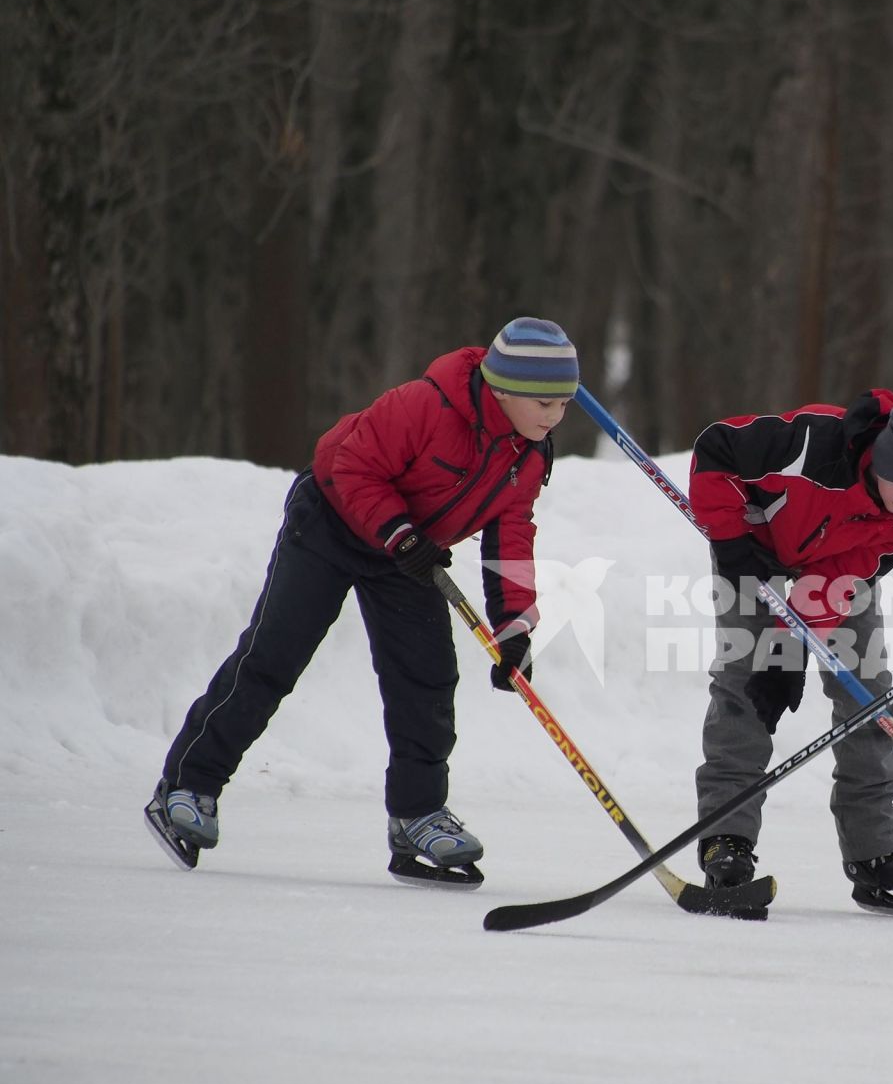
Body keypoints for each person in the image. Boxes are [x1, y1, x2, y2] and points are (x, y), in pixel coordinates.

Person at [145, 317, 581, 888]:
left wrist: (515, 628)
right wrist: (401, 535)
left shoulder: (528, 455)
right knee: (273, 658)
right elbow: (352, 465)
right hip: (330, 523)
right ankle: (187, 785)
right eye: (543, 402)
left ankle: (416, 817)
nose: (553, 416)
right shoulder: (425, 406)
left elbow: (512, 533)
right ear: (501, 391)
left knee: (425, 681)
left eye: (564, 404)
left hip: (408, 554)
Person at [687, 389, 893, 916]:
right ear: (885, 457)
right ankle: (726, 841)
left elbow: (849, 572)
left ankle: (875, 854)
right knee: (746, 689)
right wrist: (731, 543)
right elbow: (714, 450)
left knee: (867, 699)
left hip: (836, 570)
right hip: (752, 552)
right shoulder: (809, 446)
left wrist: (791, 642)